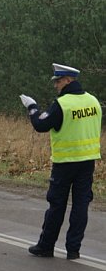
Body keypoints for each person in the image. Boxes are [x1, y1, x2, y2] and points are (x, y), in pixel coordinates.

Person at [19, 63, 102, 260]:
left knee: (57, 205)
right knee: (81, 206)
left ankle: (46, 246)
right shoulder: (93, 101)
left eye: (58, 81)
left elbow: (40, 124)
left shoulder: (63, 104)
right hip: (88, 161)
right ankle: (73, 250)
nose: (56, 85)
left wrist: (32, 107)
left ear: (68, 80)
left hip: (65, 162)